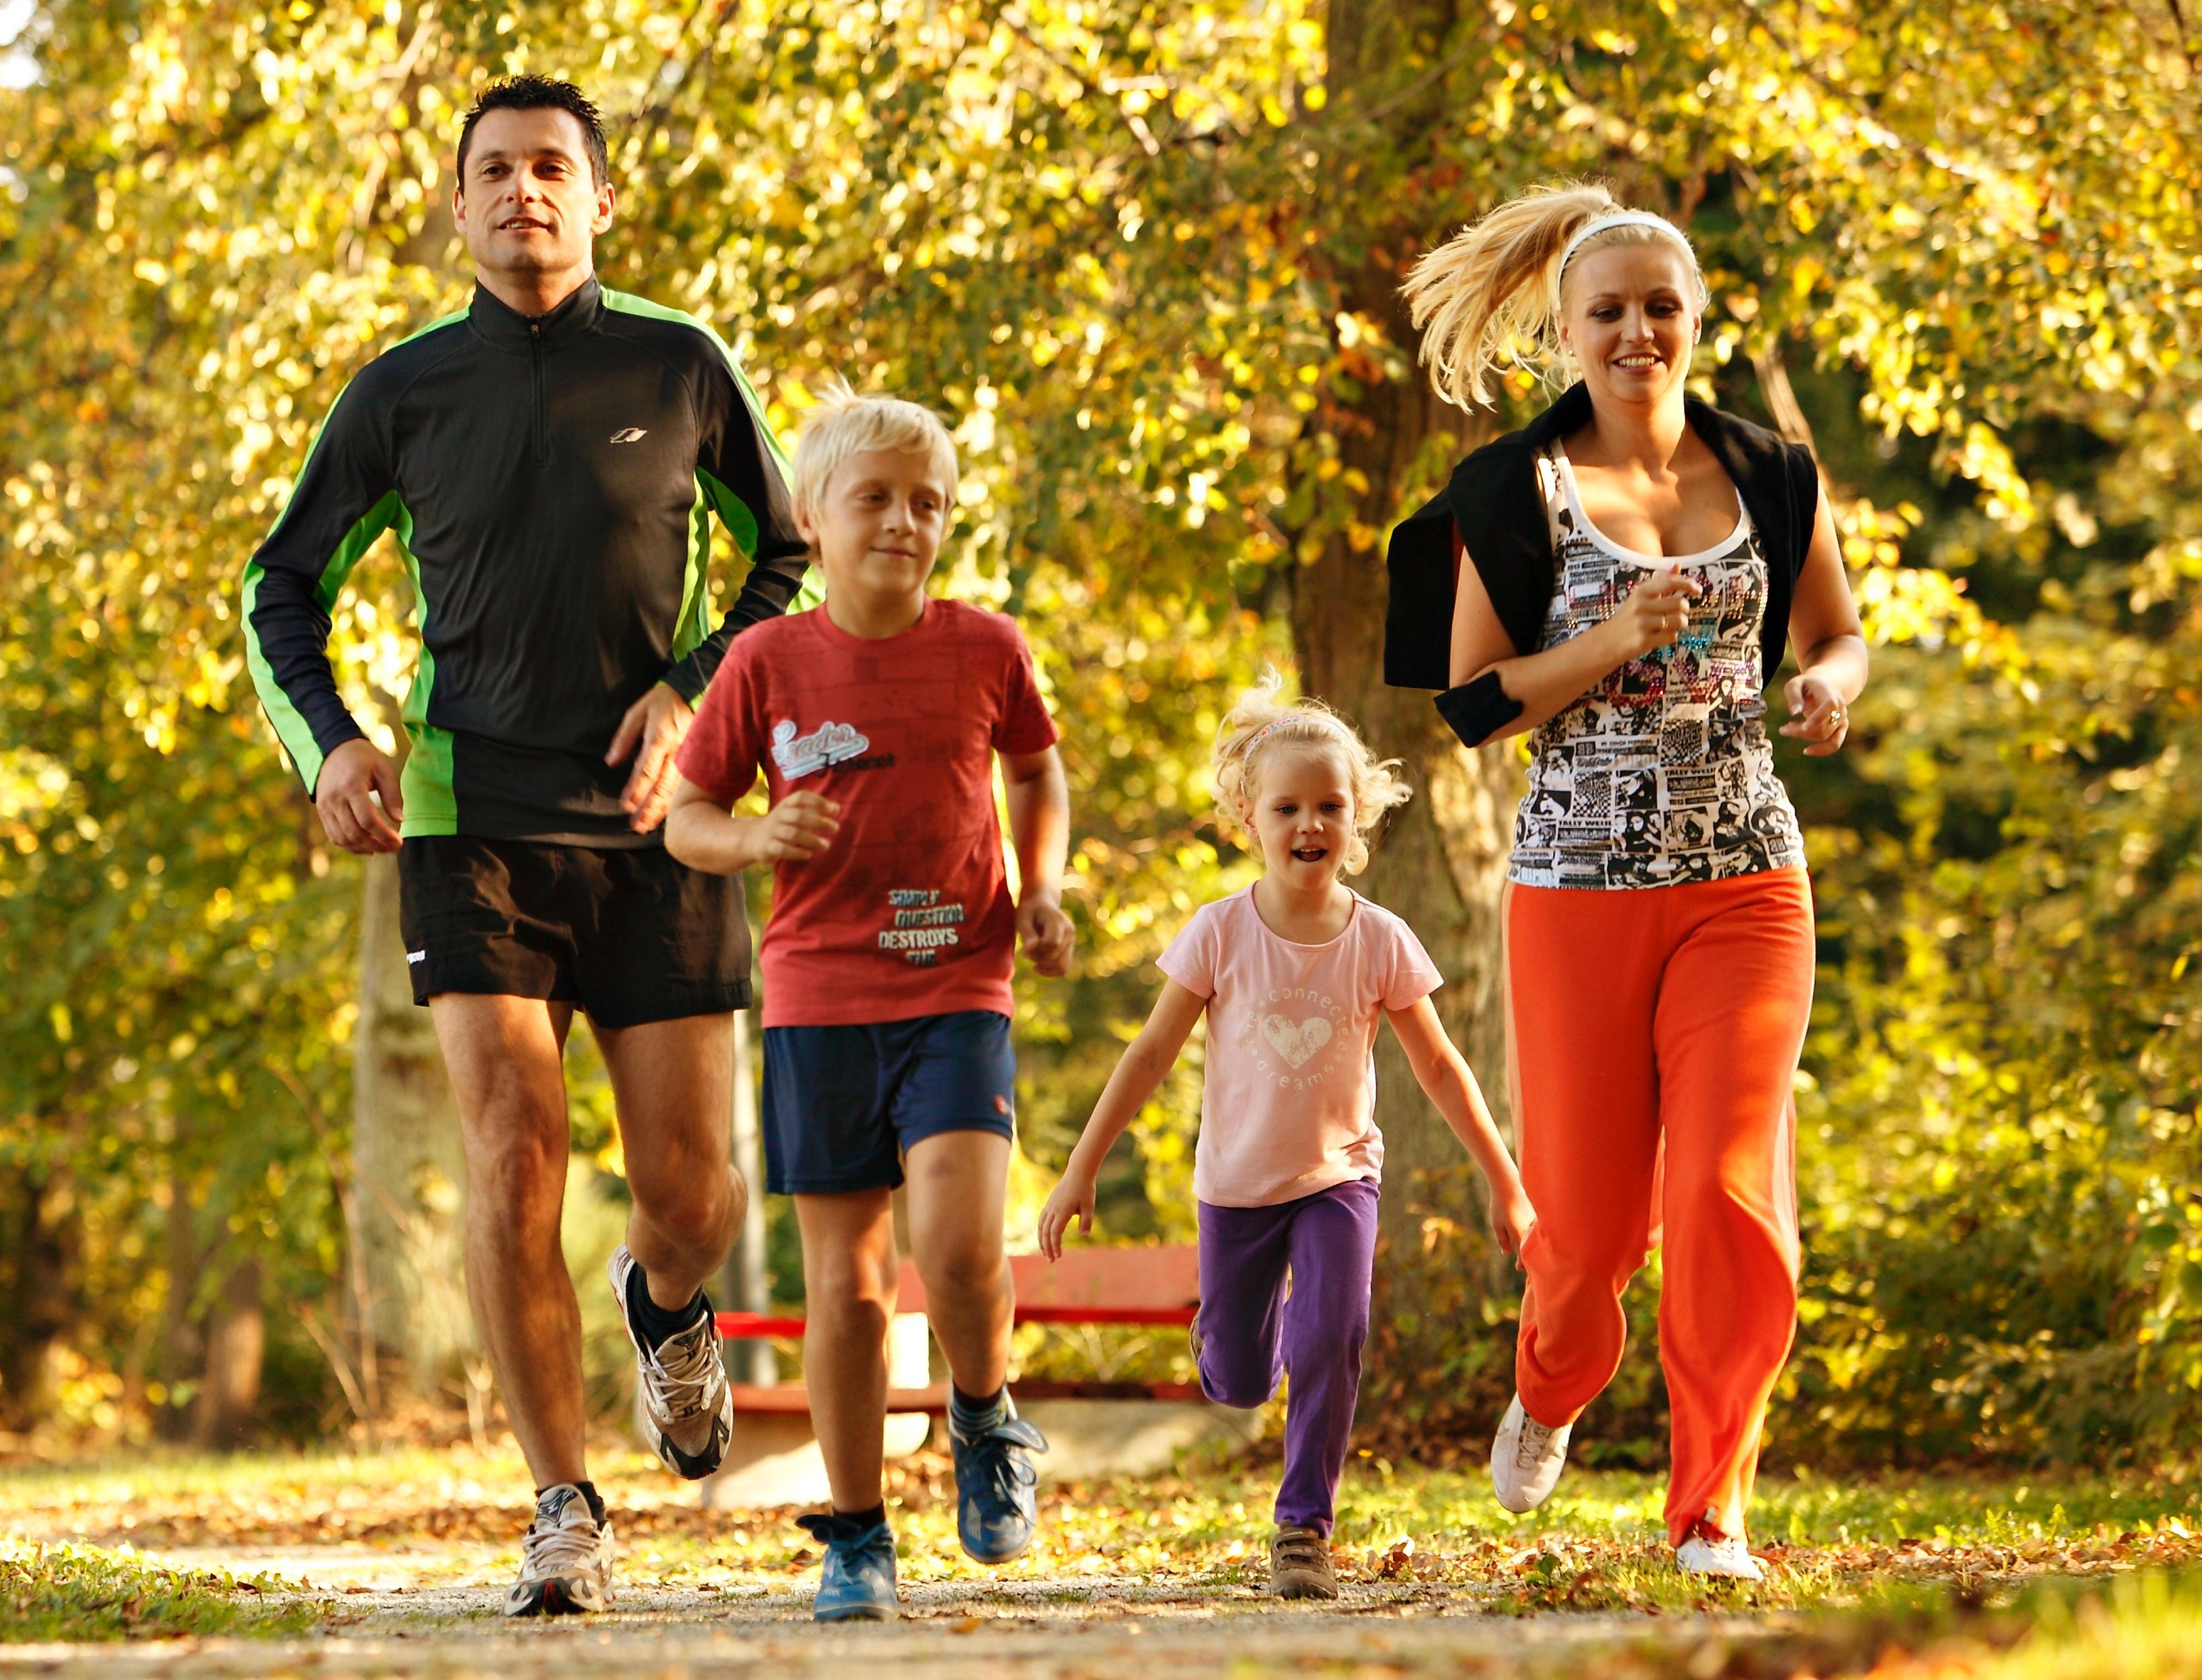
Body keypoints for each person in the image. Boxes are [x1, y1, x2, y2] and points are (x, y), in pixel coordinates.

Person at [240, 75, 813, 1615]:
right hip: (466, 814)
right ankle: (561, 1505)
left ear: (599, 198)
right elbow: (274, 587)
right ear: (458, 205)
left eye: (552, 167)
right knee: (513, 1156)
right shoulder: (401, 391)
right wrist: (335, 743)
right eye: (493, 170)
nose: (524, 192)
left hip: (651, 829)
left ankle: (663, 1305)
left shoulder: (681, 365)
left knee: (692, 1198)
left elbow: (790, 559)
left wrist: (694, 698)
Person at [1384, 181, 1869, 1579]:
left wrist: (1828, 693)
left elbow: (1834, 637)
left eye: (1661, 307)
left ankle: (1710, 1508)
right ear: (1565, 330)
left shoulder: (1772, 472)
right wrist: (1606, 641)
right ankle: (1547, 1382)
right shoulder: (1510, 490)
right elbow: (1472, 705)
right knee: (1588, 1238)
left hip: (1744, 884)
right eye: (1608, 311)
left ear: (1694, 319)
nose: (1637, 331)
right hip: (1576, 891)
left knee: (1725, 1195)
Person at [663, 386, 1074, 1622]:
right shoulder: (767, 660)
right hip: (818, 995)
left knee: (954, 1252)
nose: (905, 521)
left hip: (959, 982)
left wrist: (1042, 885)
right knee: (843, 1285)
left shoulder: (985, 646)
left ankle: (984, 1412)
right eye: (876, 499)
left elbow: (1036, 768)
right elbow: (684, 819)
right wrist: (751, 835)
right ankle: (854, 1532)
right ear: (814, 514)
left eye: (928, 503)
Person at [1036, 679, 1532, 1602]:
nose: (1310, 823)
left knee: (1333, 1330)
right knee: (1234, 1377)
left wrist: (1506, 1184)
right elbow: (1148, 1054)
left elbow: (1442, 1067)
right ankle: (1227, 1339)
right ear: (1247, 818)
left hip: (1339, 1175)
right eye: (1288, 807)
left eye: (1330, 806)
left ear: (1358, 819)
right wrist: (1079, 1169)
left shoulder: (1379, 939)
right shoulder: (1219, 932)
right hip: (1235, 1187)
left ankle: (1303, 1528)